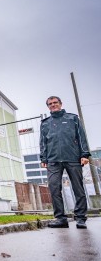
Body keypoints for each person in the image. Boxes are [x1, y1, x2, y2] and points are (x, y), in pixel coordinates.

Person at [40, 96, 90, 229]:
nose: (53, 105)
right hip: (53, 160)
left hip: (73, 157)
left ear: (60, 104)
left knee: (78, 188)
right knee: (54, 188)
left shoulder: (72, 119)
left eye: (55, 102)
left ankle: (80, 218)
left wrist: (84, 154)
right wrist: (43, 158)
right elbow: (43, 142)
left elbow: (81, 137)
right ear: (48, 106)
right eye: (50, 104)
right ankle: (61, 218)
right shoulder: (45, 123)